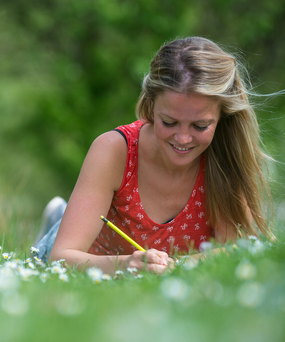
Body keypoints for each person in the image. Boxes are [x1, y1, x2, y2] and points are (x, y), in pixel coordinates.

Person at [34, 36, 275, 275]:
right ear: (150, 106)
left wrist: (177, 267)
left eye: (200, 126)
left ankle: (62, 214)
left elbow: (237, 249)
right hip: (95, 265)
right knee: (57, 241)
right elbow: (61, 257)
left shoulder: (223, 159)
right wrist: (126, 265)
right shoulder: (114, 151)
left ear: (222, 117)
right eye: (169, 122)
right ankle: (60, 219)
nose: (183, 138)